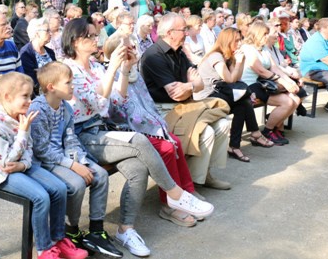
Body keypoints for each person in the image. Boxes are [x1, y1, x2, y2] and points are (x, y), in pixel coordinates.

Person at [61, 19, 213, 256]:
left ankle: (125, 229)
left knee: (138, 169)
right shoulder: (69, 70)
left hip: (102, 129)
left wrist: (122, 70)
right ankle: (175, 195)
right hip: (80, 136)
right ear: (76, 42)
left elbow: (117, 103)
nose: (95, 40)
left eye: (94, 35)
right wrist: (113, 67)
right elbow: (99, 102)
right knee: (140, 140)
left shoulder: (96, 66)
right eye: (90, 36)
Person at [0, 72, 88, 259]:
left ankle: (58, 239)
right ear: (7, 98)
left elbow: (29, 149)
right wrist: (22, 132)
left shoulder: (21, 115)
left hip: (20, 166)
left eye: (30, 95)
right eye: (25, 96)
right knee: (41, 197)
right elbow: (5, 162)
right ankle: (44, 250)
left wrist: (24, 164)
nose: (30, 101)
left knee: (59, 188)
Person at [102, 34, 202, 228]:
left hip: (145, 123)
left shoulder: (134, 72)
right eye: (130, 47)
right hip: (124, 128)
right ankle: (169, 205)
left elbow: (145, 102)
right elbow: (117, 109)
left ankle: (186, 191)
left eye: (134, 45)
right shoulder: (112, 74)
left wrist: (156, 123)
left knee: (175, 141)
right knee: (164, 147)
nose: (136, 49)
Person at [29, 62, 124, 258]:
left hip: (63, 158)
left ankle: (96, 229)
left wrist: (80, 161)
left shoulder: (66, 108)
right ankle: (70, 228)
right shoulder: (39, 109)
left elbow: (71, 138)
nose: (73, 86)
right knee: (77, 183)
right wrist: (73, 166)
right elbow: (41, 150)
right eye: (68, 83)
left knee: (100, 175)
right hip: (45, 162)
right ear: (51, 87)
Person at [140, 13, 231, 190]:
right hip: (163, 110)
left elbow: (200, 83)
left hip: (185, 106)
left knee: (222, 124)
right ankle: (192, 183)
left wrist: (189, 86)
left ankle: (205, 174)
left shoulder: (179, 52)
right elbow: (176, 94)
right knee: (205, 133)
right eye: (184, 29)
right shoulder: (153, 56)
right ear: (169, 32)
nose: (187, 33)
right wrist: (191, 84)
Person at [196, 28, 274, 162]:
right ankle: (253, 134)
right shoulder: (216, 56)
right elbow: (229, 79)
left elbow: (237, 78)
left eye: (240, 40)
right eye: (236, 40)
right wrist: (238, 62)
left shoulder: (227, 56)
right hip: (207, 98)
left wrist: (241, 61)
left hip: (221, 94)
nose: (239, 43)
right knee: (243, 101)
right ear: (228, 41)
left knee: (242, 105)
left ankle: (235, 146)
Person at [239, 21, 301, 144]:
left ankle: (274, 128)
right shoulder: (247, 48)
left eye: (267, 33)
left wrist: (290, 81)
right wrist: (284, 82)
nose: (267, 36)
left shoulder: (264, 48)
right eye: (264, 34)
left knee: (296, 100)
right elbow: (260, 70)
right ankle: (267, 132)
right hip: (248, 85)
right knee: (287, 102)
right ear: (256, 34)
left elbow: (275, 68)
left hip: (261, 82)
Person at [19, 18, 56, 93]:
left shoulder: (50, 52)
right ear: (37, 33)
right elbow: (31, 80)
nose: (50, 33)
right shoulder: (26, 53)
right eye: (47, 30)